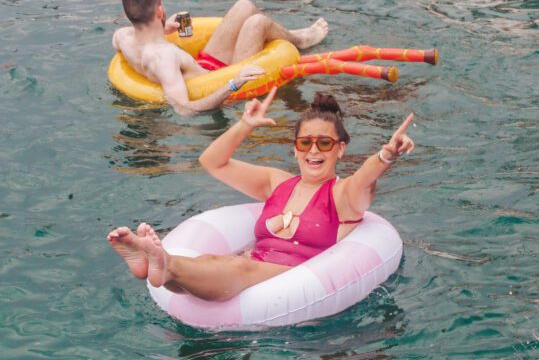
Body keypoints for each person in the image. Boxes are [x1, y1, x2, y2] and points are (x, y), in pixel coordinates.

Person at [107, 90, 414, 301]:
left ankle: (164, 263)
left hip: (290, 281)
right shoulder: (277, 183)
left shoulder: (342, 195)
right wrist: (244, 125)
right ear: (294, 148)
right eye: (305, 143)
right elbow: (212, 162)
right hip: (249, 266)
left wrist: (386, 156)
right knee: (214, 259)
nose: (314, 151)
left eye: (325, 143)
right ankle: (153, 265)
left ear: (341, 148)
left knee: (240, 266)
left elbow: (364, 179)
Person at [112, 0, 329, 116]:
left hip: (204, 66)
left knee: (245, 6)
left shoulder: (122, 37)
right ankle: (298, 42)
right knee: (257, 23)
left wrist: (165, 29)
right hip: (225, 78)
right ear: (159, 11)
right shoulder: (163, 57)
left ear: (128, 15)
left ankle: (294, 37)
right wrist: (233, 84)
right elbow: (184, 109)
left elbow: (137, 37)